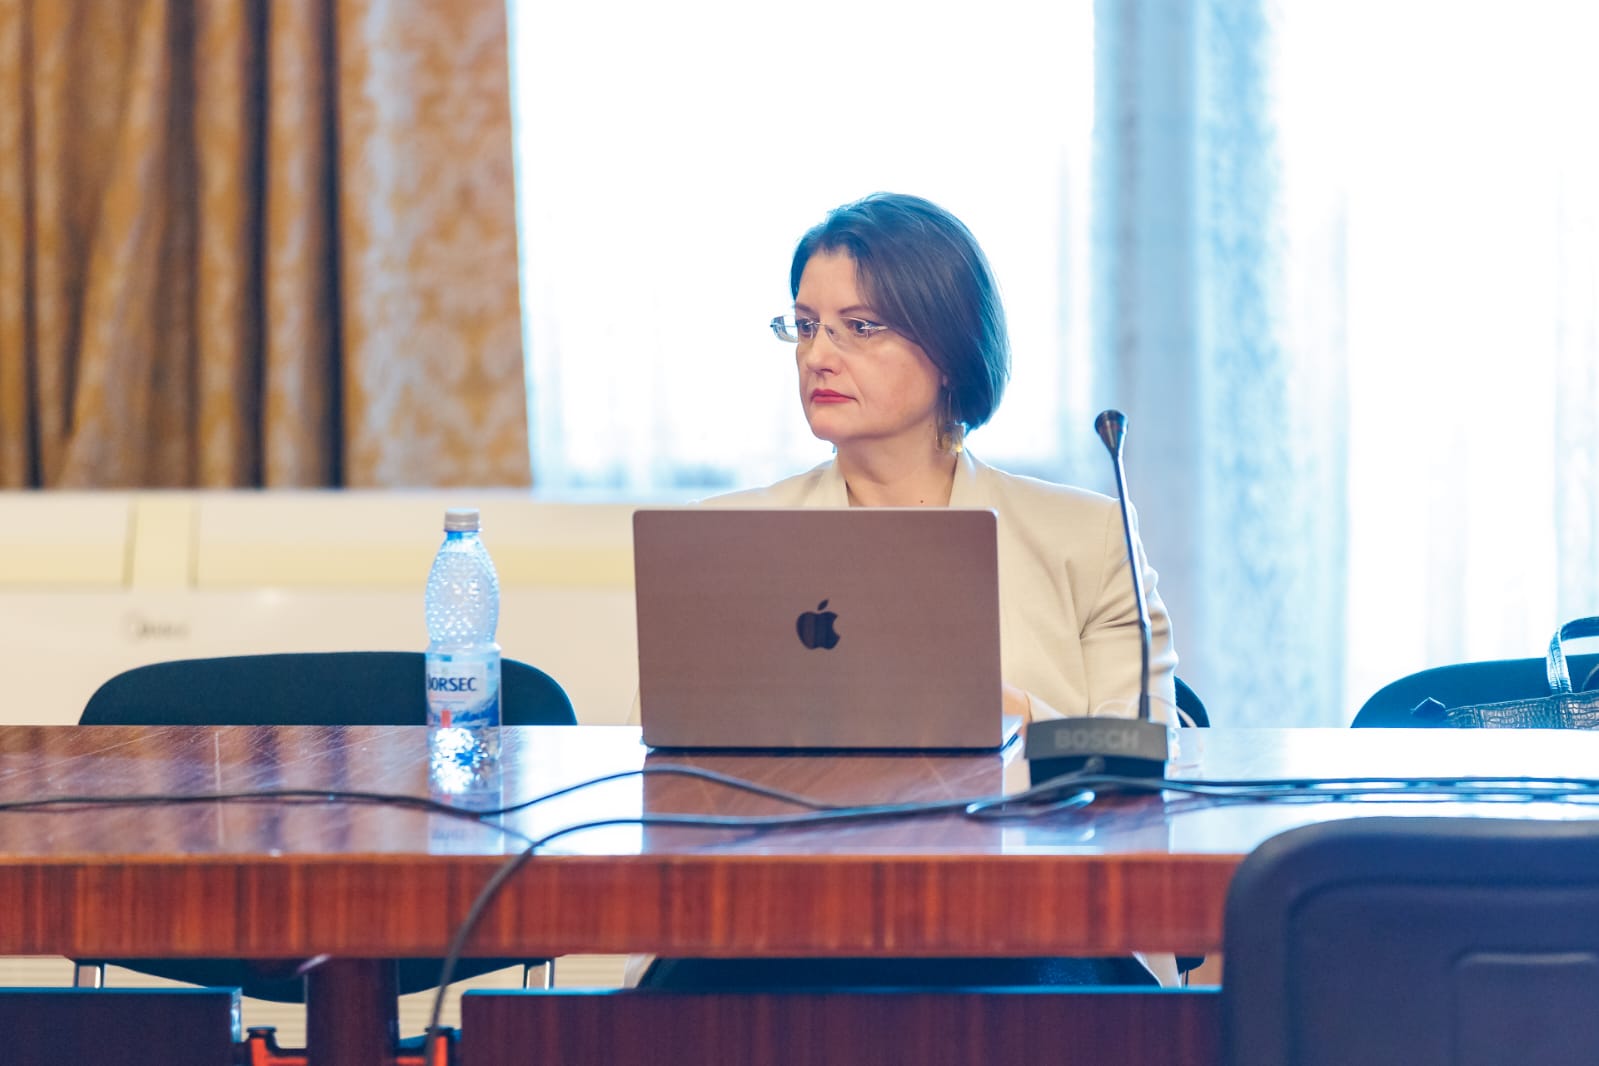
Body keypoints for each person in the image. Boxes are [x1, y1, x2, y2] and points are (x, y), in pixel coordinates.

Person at [636, 192, 1183, 990]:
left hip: (1026, 909)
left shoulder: (1085, 535)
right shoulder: (722, 537)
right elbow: (666, 768)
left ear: (949, 350)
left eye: (859, 327)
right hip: (785, 912)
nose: (818, 356)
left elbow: (1144, 776)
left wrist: (1011, 720)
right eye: (805, 325)